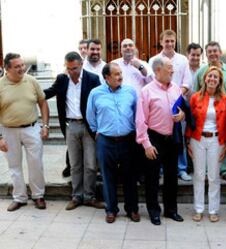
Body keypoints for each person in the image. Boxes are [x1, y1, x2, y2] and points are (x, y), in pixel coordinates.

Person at [44, 51, 104, 210]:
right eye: (68, 68)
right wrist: (29, 94)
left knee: (91, 164)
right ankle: (77, 196)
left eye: (75, 68)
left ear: (82, 64)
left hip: (89, 126)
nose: (71, 72)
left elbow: (101, 102)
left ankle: (89, 196)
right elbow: (48, 93)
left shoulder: (93, 79)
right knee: (75, 164)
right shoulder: (62, 79)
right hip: (71, 126)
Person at [86, 63, 140, 223]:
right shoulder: (95, 93)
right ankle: (111, 209)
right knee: (107, 176)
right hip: (105, 141)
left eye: (120, 73)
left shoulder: (130, 91)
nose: (120, 77)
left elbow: (138, 114)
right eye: (116, 74)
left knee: (130, 176)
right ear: (107, 78)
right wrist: (98, 132)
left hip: (128, 140)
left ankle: (132, 209)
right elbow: (90, 116)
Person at [136, 57, 185, 225]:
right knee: (152, 178)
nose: (173, 71)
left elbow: (180, 109)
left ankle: (171, 210)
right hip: (154, 138)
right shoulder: (146, 91)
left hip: (172, 139)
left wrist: (181, 115)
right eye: (169, 68)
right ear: (157, 70)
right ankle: (154, 211)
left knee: (172, 177)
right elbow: (140, 120)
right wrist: (146, 144)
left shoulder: (176, 88)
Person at [0, 53, 49, 211]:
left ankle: (38, 196)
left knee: (36, 163)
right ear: (7, 69)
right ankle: (19, 198)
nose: (22, 68)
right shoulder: (0, 85)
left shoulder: (32, 81)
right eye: (17, 66)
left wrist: (45, 125)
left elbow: (42, 102)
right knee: (14, 166)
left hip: (31, 128)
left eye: (22, 65)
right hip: (8, 131)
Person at [186, 66, 226, 222]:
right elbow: (190, 121)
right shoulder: (195, 97)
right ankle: (198, 209)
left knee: (213, 176)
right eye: (210, 76)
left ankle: (213, 210)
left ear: (220, 81)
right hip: (197, 139)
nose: (212, 79)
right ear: (204, 78)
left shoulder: (225, 100)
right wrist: (188, 142)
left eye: (216, 77)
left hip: (216, 140)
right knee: (198, 175)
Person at [149, 30, 192, 181]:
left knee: (178, 137)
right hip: (159, 103)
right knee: (160, 137)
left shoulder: (183, 60)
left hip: (177, 101)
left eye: (172, 41)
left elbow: (187, 82)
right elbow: (152, 81)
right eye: (166, 41)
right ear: (161, 42)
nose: (169, 44)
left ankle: (181, 168)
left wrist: (176, 96)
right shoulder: (154, 60)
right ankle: (161, 168)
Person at [193, 41, 226, 184]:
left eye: (215, 51)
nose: (212, 53)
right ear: (206, 54)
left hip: (225, 111)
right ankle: (206, 171)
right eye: (209, 51)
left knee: (224, 139)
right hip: (207, 113)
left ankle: (225, 170)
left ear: (220, 53)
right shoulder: (201, 71)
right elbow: (196, 92)